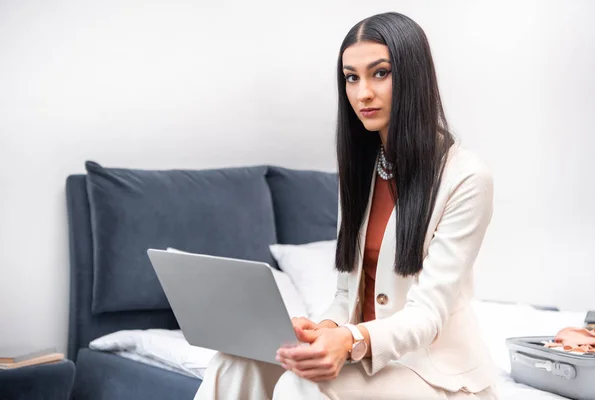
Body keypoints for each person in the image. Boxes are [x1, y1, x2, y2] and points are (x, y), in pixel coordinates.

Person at [195, 11, 498, 400]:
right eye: (351, 77)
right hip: (371, 363)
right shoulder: (363, 172)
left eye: (380, 73)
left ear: (414, 76)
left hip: (436, 376)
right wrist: (323, 331)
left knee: (301, 385)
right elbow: (347, 295)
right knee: (233, 362)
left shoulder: (467, 177)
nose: (362, 93)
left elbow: (428, 315)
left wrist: (349, 339)